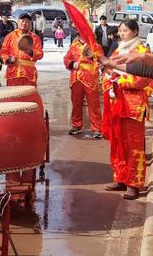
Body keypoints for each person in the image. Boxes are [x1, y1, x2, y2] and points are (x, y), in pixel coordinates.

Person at [101, 19, 151, 200]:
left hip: (133, 106)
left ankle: (134, 184)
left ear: (135, 31)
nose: (121, 34)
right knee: (118, 143)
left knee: (134, 146)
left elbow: (143, 79)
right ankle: (120, 178)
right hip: (117, 104)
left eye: (125, 31)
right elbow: (108, 71)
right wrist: (109, 77)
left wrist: (120, 81)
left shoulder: (142, 51)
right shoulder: (118, 49)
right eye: (120, 31)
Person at [63, 36, 102, 138]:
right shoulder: (73, 46)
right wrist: (72, 64)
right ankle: (76, 125)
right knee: (76, 102)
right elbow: (66, 59)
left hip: (91, 77)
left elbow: (101, 60)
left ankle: (97, 128)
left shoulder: (95, 46)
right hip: (76, 77)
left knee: (94, 104)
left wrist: (93, 57)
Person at [0, 13, 43, 87]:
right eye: (22, 21)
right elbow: (3, 52)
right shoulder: (10, 36)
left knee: (29, 97)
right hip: (13, 72)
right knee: (13, 96)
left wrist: (31, 52)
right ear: (18, 22)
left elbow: (40, 54)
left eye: (27, 22)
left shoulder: (35, 37)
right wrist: (8, 59)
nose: (24, 23)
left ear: (30, 24)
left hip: (29, 74)